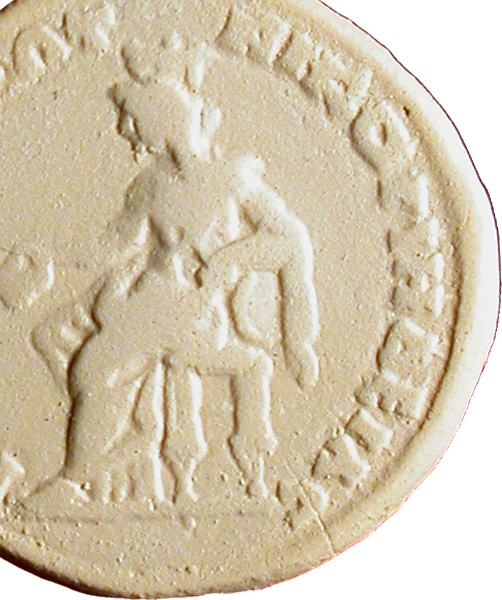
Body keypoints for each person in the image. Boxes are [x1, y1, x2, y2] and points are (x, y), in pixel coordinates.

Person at [32, 34, 319, 505]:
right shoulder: (151, 185)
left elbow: (290, 240)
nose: (125, 130)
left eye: (131, 118)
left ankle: (76, 480)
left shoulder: (233, 180)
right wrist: (52, 256)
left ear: (159, 115)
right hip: (150, 298)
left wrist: (233, 259)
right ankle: (119, 450)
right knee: (71, 354)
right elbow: (115, 243)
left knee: (95, 369)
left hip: (193, 311)